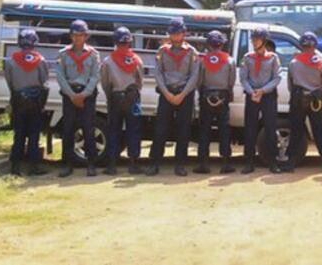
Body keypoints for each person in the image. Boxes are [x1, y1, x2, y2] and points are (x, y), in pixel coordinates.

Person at [147, 18, 200, 176]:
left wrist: (182, 94)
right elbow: (158, 73)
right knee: (160, 130)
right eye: (172, 33)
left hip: (185, 94)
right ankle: (154, 163)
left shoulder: (192, 52)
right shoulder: (162, 51)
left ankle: (180, 164)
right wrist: (167, 93)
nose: (175, 36)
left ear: (184, 33)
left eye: (178, 33)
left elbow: (194, 76)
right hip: (166, 94)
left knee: (183, 130)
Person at [56, 19, 101, 177]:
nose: (77, 38)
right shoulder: (63, 54)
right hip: (69, 95)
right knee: (67, 129)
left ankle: (91, 163)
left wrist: (83, 95)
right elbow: (60, 77)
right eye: (74, 35)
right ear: (70, 36)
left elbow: (95, 77)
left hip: (87, 96)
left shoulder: (94, 54)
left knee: (89, 129)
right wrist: (72, 95)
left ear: (86, 36)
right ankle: (67, 164)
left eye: (80, 35)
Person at [3, 29, 49, 176]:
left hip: (18, 100)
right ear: (34, 42)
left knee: (19, 135)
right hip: (35, 101)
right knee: (34, 135)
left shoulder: (10, 61)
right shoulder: (40, 60)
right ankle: (33, 167)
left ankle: (15, 168)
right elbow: (44, 80)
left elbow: (9, 82)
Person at [286, 32, 322, 173]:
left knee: (296, 131)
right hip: (316, 101)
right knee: (319, 131)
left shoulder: (293, 63)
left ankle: (290, 163)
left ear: (301, 46)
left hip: (298, 99)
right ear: (315, 46)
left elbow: (290, 84)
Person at [100, 27, 144, 175]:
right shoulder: (136, 59)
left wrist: (110, 95)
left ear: (115, 42)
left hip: (115, 98)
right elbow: (140, 82)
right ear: (130, 42)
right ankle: (133, 164)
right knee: (134, 130)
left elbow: (105, 83)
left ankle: (112, 165)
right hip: (133, 98)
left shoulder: (107, 61)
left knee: (114, 130)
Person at [239, 27, 282, 174]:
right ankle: (249, 162)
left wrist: (262, 91)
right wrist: (252, 92)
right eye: (253, 39)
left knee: (270, 128)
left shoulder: (273, 58)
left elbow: (277, 78)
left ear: (264, 41)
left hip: (267, 95)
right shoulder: (247, 58)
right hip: (252, 96)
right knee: (250, 129)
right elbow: (243, 78)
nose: (254, 41)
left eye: (257, 39)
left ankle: (273, 162)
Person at [196, 30, 236, 174]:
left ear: (209, 44)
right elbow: (231, 81)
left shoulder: (202, 60)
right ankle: (226, 163)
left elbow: (199, 80)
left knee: (204, 130)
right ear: (221, 44)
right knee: (224, 130)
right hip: (223, 97)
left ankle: (203, 164)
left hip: (206, 96)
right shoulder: (230, 60)